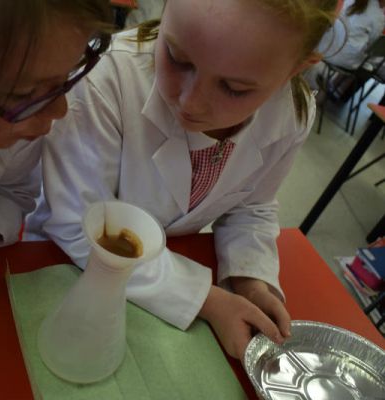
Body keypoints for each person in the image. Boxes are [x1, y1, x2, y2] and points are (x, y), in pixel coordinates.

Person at [26, 0, 339, 360]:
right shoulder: (107, 81)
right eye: (176, 58)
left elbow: (252, 206)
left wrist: (251, 278)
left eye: (234, 88)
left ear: (294, 70)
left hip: (162, 276)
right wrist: (208, 300)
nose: (191, 103)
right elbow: (80, 226)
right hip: (64, 269)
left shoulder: (291, 114)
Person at [0, 0, 112, 302]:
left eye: (66, 76)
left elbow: (12, 194)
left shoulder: (16, 123)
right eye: (23, 94)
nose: (59, 111)